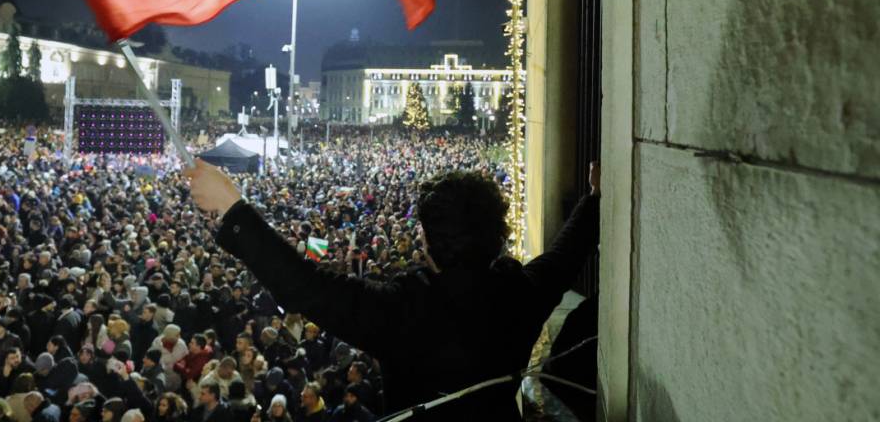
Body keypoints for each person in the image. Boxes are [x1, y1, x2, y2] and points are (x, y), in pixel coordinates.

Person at [185, 162, 601, 421]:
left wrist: (234, 207)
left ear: (429, 241)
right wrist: (595, 199)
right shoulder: (519, 294)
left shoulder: (403, 310)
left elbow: (305, 287)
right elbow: (565, 257)